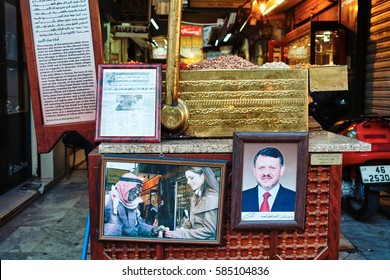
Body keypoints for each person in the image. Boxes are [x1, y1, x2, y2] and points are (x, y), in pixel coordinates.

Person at [165, 166, 219, 240]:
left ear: (203, 176)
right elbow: (193, 222)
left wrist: (180, 234)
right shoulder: (196, 196)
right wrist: (181, 229)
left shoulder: (212, 197)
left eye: (191, 178)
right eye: (187, 179)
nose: (188, 182)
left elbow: (208, 231)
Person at [104, 172, 159, 237]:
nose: (137, 193)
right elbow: (97, 227)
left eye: (138, 190)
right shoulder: (107, 200)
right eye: (135, 190)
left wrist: (152, 230)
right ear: (124, 187)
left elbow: (139, 225)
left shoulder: (133, 204)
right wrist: (121, 229)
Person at [242, 147, 295, 212]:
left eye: (272, 168)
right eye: (261, 168)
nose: (266, 173)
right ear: (254, 171)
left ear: (281, 170)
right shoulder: (241, 198)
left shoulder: (295, 199)